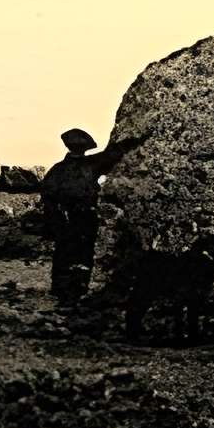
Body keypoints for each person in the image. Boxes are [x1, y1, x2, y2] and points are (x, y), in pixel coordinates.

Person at [38, 125, 143, 304]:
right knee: (80, 252)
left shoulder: (59, 169)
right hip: (80, 216)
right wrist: (136, 139)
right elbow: (112, 155)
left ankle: (65, 290)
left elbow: (47, 195)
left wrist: (55, 220)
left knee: (67, 252)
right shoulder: (90, 164)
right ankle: (74, 289)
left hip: (69, 217)